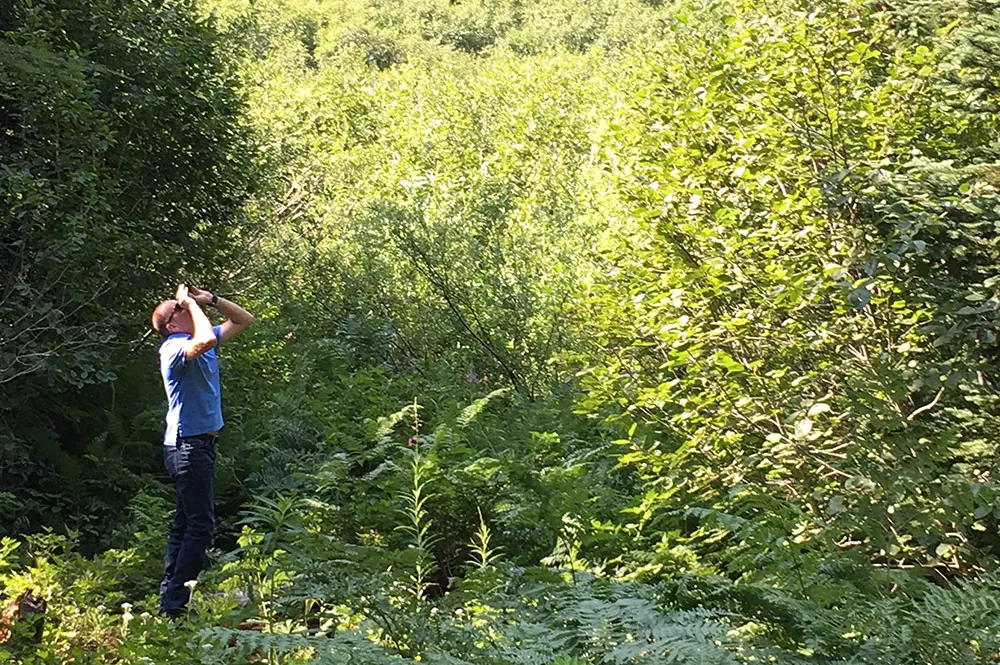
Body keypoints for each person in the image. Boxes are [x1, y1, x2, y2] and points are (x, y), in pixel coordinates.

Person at [150, 283, 254, 617]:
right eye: (179, 309)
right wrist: (186, 304)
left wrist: (209, 299)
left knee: (185, 525)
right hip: (187, 446)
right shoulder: (173, 347)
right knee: (199, 526)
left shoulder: (199, 341)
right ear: (172, 324)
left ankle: (171, 602)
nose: (186, 307)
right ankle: (176, 606)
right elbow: (205, 338)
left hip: (198, 446)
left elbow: (244, 320)